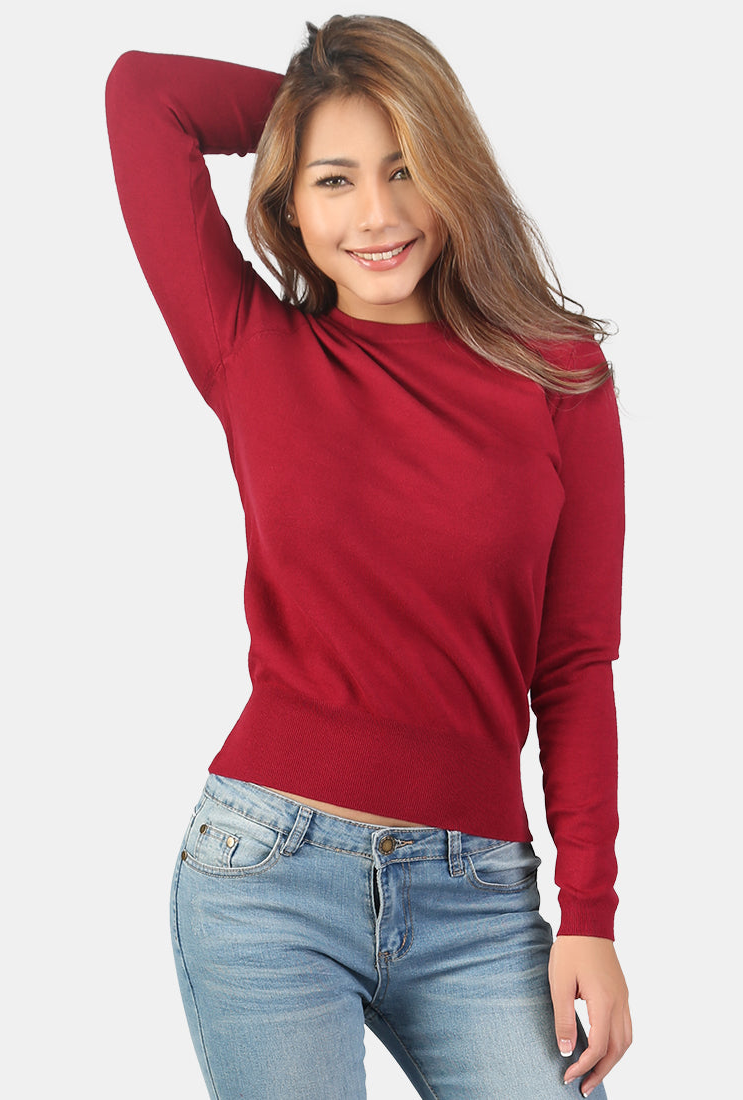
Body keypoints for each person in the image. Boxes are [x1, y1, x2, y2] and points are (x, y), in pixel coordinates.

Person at [106, 14, 632, 1099]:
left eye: (407, 167)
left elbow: (574, 660)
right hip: (267, 877)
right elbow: (144, 95)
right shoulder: (251, 347)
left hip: (480, 901)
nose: (378, 215)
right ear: (290, 203)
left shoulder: (557, 370)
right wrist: (321, 96)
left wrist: (591, 912)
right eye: (334, 180)